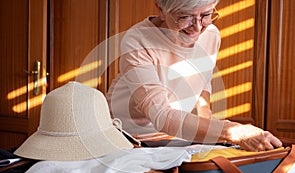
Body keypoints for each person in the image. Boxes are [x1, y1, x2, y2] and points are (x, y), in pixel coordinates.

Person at [106, 0, 282, 152]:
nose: (198, 27)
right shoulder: (137, 41)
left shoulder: (211, 34)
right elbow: (161, 115)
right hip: (127, 135)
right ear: (161, 10)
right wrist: (233, 131)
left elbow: (203, 79)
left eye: (206, 15)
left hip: (173, 134)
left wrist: (208, 125)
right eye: (185, 17)